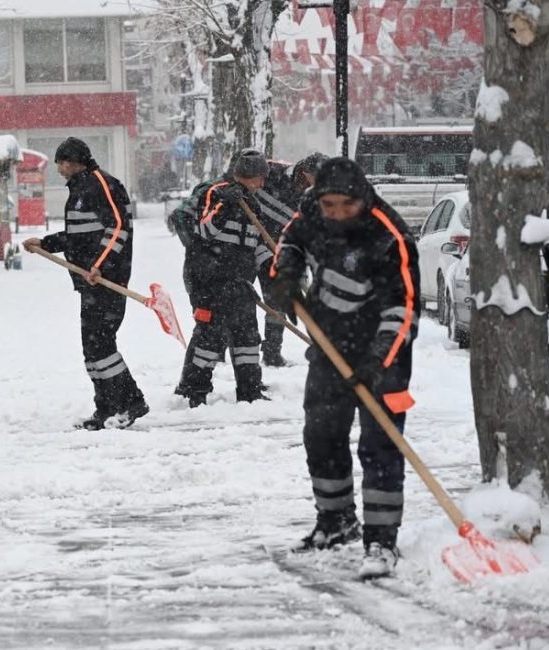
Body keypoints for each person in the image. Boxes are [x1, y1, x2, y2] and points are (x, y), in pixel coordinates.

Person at [267, 157, 420, 579]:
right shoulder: (311, 213)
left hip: (383, 352)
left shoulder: (388, 236)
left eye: (344, 206)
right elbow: (290, 241)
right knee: (321, 433)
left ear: (362, 199)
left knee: (380, 443)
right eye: (328, 204)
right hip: (329, 342)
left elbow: (403, 309)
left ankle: (381, 541)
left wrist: (377, 363)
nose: (334, 213)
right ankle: (336, 522)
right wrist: (287, 274)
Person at [22, 137, 148, 430]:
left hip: (107, 280)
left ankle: (131, 402)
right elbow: (78, 237)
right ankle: (105, 408)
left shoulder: (100, 184)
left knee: (102, 346)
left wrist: (99, 266)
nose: (59, 170)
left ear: (70, 162)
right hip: (89, 283)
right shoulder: (79, 190)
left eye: (60, 164)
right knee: (92, 350)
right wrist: (44, 243)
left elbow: (118, 227)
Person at [172, 149, 272, 407]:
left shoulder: (254, 204)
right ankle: (195, 391)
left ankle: (250, 392)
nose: (262, 184)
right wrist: (225, 204)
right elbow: (205, 230)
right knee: (210, 337)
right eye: (260, 177)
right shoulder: (215, 193)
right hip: (210, 280)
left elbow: (256, 243)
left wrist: (271, 264)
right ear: (248, 175)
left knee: (247, 338)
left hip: (241, 282)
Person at [253, 152, 329, 367]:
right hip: (250, 245)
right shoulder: (271, 173)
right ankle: (222, 349)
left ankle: (271, 351)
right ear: (306, 174)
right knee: (237, 299)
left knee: (277, 301)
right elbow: (238, 178)